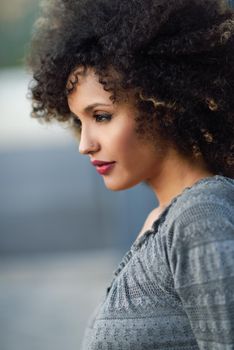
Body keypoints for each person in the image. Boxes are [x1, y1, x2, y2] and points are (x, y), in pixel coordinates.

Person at [27, 0, 234, 348]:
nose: (85, 144)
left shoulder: (200, 217)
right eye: (80, 121)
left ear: (163, 105)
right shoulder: (163, 218)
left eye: (102, 116)